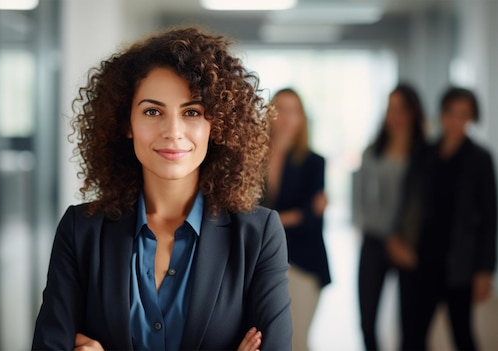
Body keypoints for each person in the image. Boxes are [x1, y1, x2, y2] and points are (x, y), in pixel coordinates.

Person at [31, 27, 292, 351]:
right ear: (126, 122)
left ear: (218, 124)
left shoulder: (259, 235)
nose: (172, 131)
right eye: (152, 111)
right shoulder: (81, 231)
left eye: (192, 112)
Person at [389, 87, 497, 351]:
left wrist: (485, 270)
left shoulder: (480, 159)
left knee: (462, 335)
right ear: (442, 114)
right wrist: (397, 237)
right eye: (451, 113)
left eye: (464, 115)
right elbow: (406, 203)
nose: (456, 121)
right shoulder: (425, 153)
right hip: (421, 259)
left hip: (459, 263)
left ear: (471, 118)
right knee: (412, 336)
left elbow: (489, 218)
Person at [352, 84, 426, 350]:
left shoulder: (424, 155)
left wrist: (401, 241)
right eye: (391, 108)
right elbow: (358, 199)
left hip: (411, 246)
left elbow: (424, 206)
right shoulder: (373, 151)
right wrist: (381, 235)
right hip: (375, 241)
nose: (395, 115)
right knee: (367, 321)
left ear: (414, 113)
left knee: (412, 325)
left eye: (402, 109)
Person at [263, 88, 330, 351]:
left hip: (303, 262)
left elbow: (312, 220)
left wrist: (264, 220)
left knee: (296, 341)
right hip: (264, 262)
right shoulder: (251, 160)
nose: (286, 117)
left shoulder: (314, 162)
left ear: (302, 118)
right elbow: (239, 210)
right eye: (280, 109)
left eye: (294, 110)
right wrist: (290, 216)